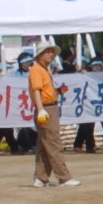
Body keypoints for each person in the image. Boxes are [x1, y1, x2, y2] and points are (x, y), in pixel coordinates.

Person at [26, 45, 77, 187]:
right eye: (46, 52)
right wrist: (41, 108)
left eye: (51, 52)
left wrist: (57, 91)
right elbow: (36, 90)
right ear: (39, 55)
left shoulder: (43, 69)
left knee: (44, 143)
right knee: (54, 141)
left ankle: (41, 177)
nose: (50, 55)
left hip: (49, 106)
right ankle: (64, 177)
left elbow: (43, 90)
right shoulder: (36, 69)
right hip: (46, 108)